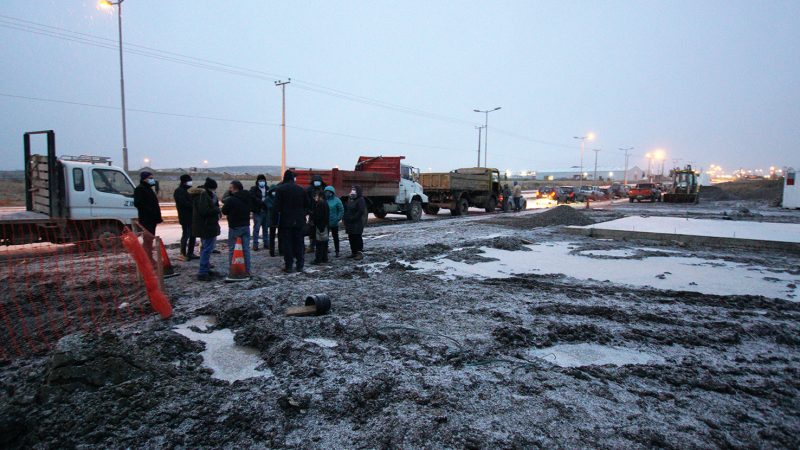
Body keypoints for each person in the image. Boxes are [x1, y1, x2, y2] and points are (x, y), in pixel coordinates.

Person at [273, 170, 310, 273]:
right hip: (299, 221)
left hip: (286, 221)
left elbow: (276, 207)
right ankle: (300, 265)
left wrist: (274, 222)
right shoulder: (301, 189)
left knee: (287, 244)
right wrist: (303, 215)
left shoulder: (280, 190)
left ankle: (289, 266)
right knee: (299, 242)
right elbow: (307, 205)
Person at [190, 177, 221, 281]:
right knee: (207, 249)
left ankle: (206, 268)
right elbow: (205, 211)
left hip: (205, 226)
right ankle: (203, 272)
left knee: (205, 248)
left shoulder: (202, 195)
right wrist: (217, 209)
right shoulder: (203, 196)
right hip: (206, 226)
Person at [222, 180, 253, 276]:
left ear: (234, 188)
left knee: (232, 249)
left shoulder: (231, 200)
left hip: (234, 227)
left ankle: (233, 270)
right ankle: (247, 270)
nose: (229, 189)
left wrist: (228, 195)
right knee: (246, 249)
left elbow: (224, 211)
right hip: (245, 225)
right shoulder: (247, 198)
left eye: (230, 188)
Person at [133, 171, 162, 265]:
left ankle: (148, 258)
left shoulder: (148, 189)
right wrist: (150, 211)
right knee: (148, 240)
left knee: (150, 239)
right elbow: (138, 203)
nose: (152, 179)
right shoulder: (140, 189)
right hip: (147, 219)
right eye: (150, 178)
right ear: (144, 179)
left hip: (152, 219)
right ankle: (147, 259)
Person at [173, 174, 196, 261]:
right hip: (185, 217)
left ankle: (190, 252)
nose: (191, 182)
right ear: (184, 182)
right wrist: (193, 206)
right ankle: (183, 253)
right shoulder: (179, 191)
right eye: (189, 180)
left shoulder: (185, 191)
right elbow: (184, 203)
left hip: (191, 217)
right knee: (186, 235)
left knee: (193, 235)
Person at [343, 185, 366, 260]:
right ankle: (354, 252)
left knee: (357, 237)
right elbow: (347, 208)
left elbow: (361, 211)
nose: (353, 191)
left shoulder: (360, 199)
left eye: (354, 189)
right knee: (351, 237)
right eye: (352, 189)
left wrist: (353, 218)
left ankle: (360, 253)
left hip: (357, 223)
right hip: (350, 223)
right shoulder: (350, 198)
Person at [306, 175, 327, 254]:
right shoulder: (309, 190)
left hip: (321, 213)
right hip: (312, 213)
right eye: (315, 181)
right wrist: (308, 210)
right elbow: (307, 201)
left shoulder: (324, 189)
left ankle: (323, 247)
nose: (317, 183)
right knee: (312, 230)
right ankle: (312, 246)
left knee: (322, 230)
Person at [249, 174, 269, 251]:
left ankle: (266, 243)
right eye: (260, 181)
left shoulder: (267, 188)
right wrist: (261, 202)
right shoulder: (254, 189)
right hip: (257, 211)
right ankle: (255, 244)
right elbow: (252, 197)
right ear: (257, 181)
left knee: (265, 228)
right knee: (256, 228)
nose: (262, 182)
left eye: (263, 181)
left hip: (265, 211)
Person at [324, 186, 344, 257]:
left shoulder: (337, 200)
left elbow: (341, 210)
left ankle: (337, 251)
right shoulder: (324, 200)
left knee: (335, 237)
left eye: (329, 192)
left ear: (332, 193)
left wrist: (338, 218)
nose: (327, 193)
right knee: (325, 237)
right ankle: (325, 249)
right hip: (326, 222)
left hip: (334, 222)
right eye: (326, 192)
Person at [311, 190, 330, 264]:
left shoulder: (320, 204)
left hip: (320, 226)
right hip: (324, 225)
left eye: (316, 195)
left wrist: (313, 218)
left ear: (320, 196)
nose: (315, 197)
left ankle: (318, 259)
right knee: (324, 243)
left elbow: (319, 216)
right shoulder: (325, 203)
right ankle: (324, 258)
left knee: (319, 243)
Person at [267, 183, 281, 257]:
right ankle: (272, 251)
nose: (274, 192)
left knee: (280, 236)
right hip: (272, 220)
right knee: (272, 237)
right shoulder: (268, 199)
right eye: (273, 191)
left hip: (279, 219)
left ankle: (280, 250)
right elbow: (270, 207)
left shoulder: (279, 198)